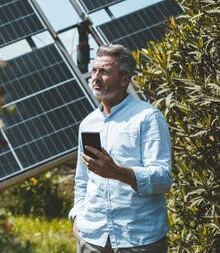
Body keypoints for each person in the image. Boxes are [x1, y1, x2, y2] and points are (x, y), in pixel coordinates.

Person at [69, 44, 172, 252]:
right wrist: (78, 218)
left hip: (138, 239)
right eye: (94, 70)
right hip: (92, 238)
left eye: (104, 72)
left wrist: (116, 172)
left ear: (125, 80)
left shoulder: (147, 117)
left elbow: (163, 178)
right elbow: (82, 180)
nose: (95, 77)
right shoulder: (88, 124)